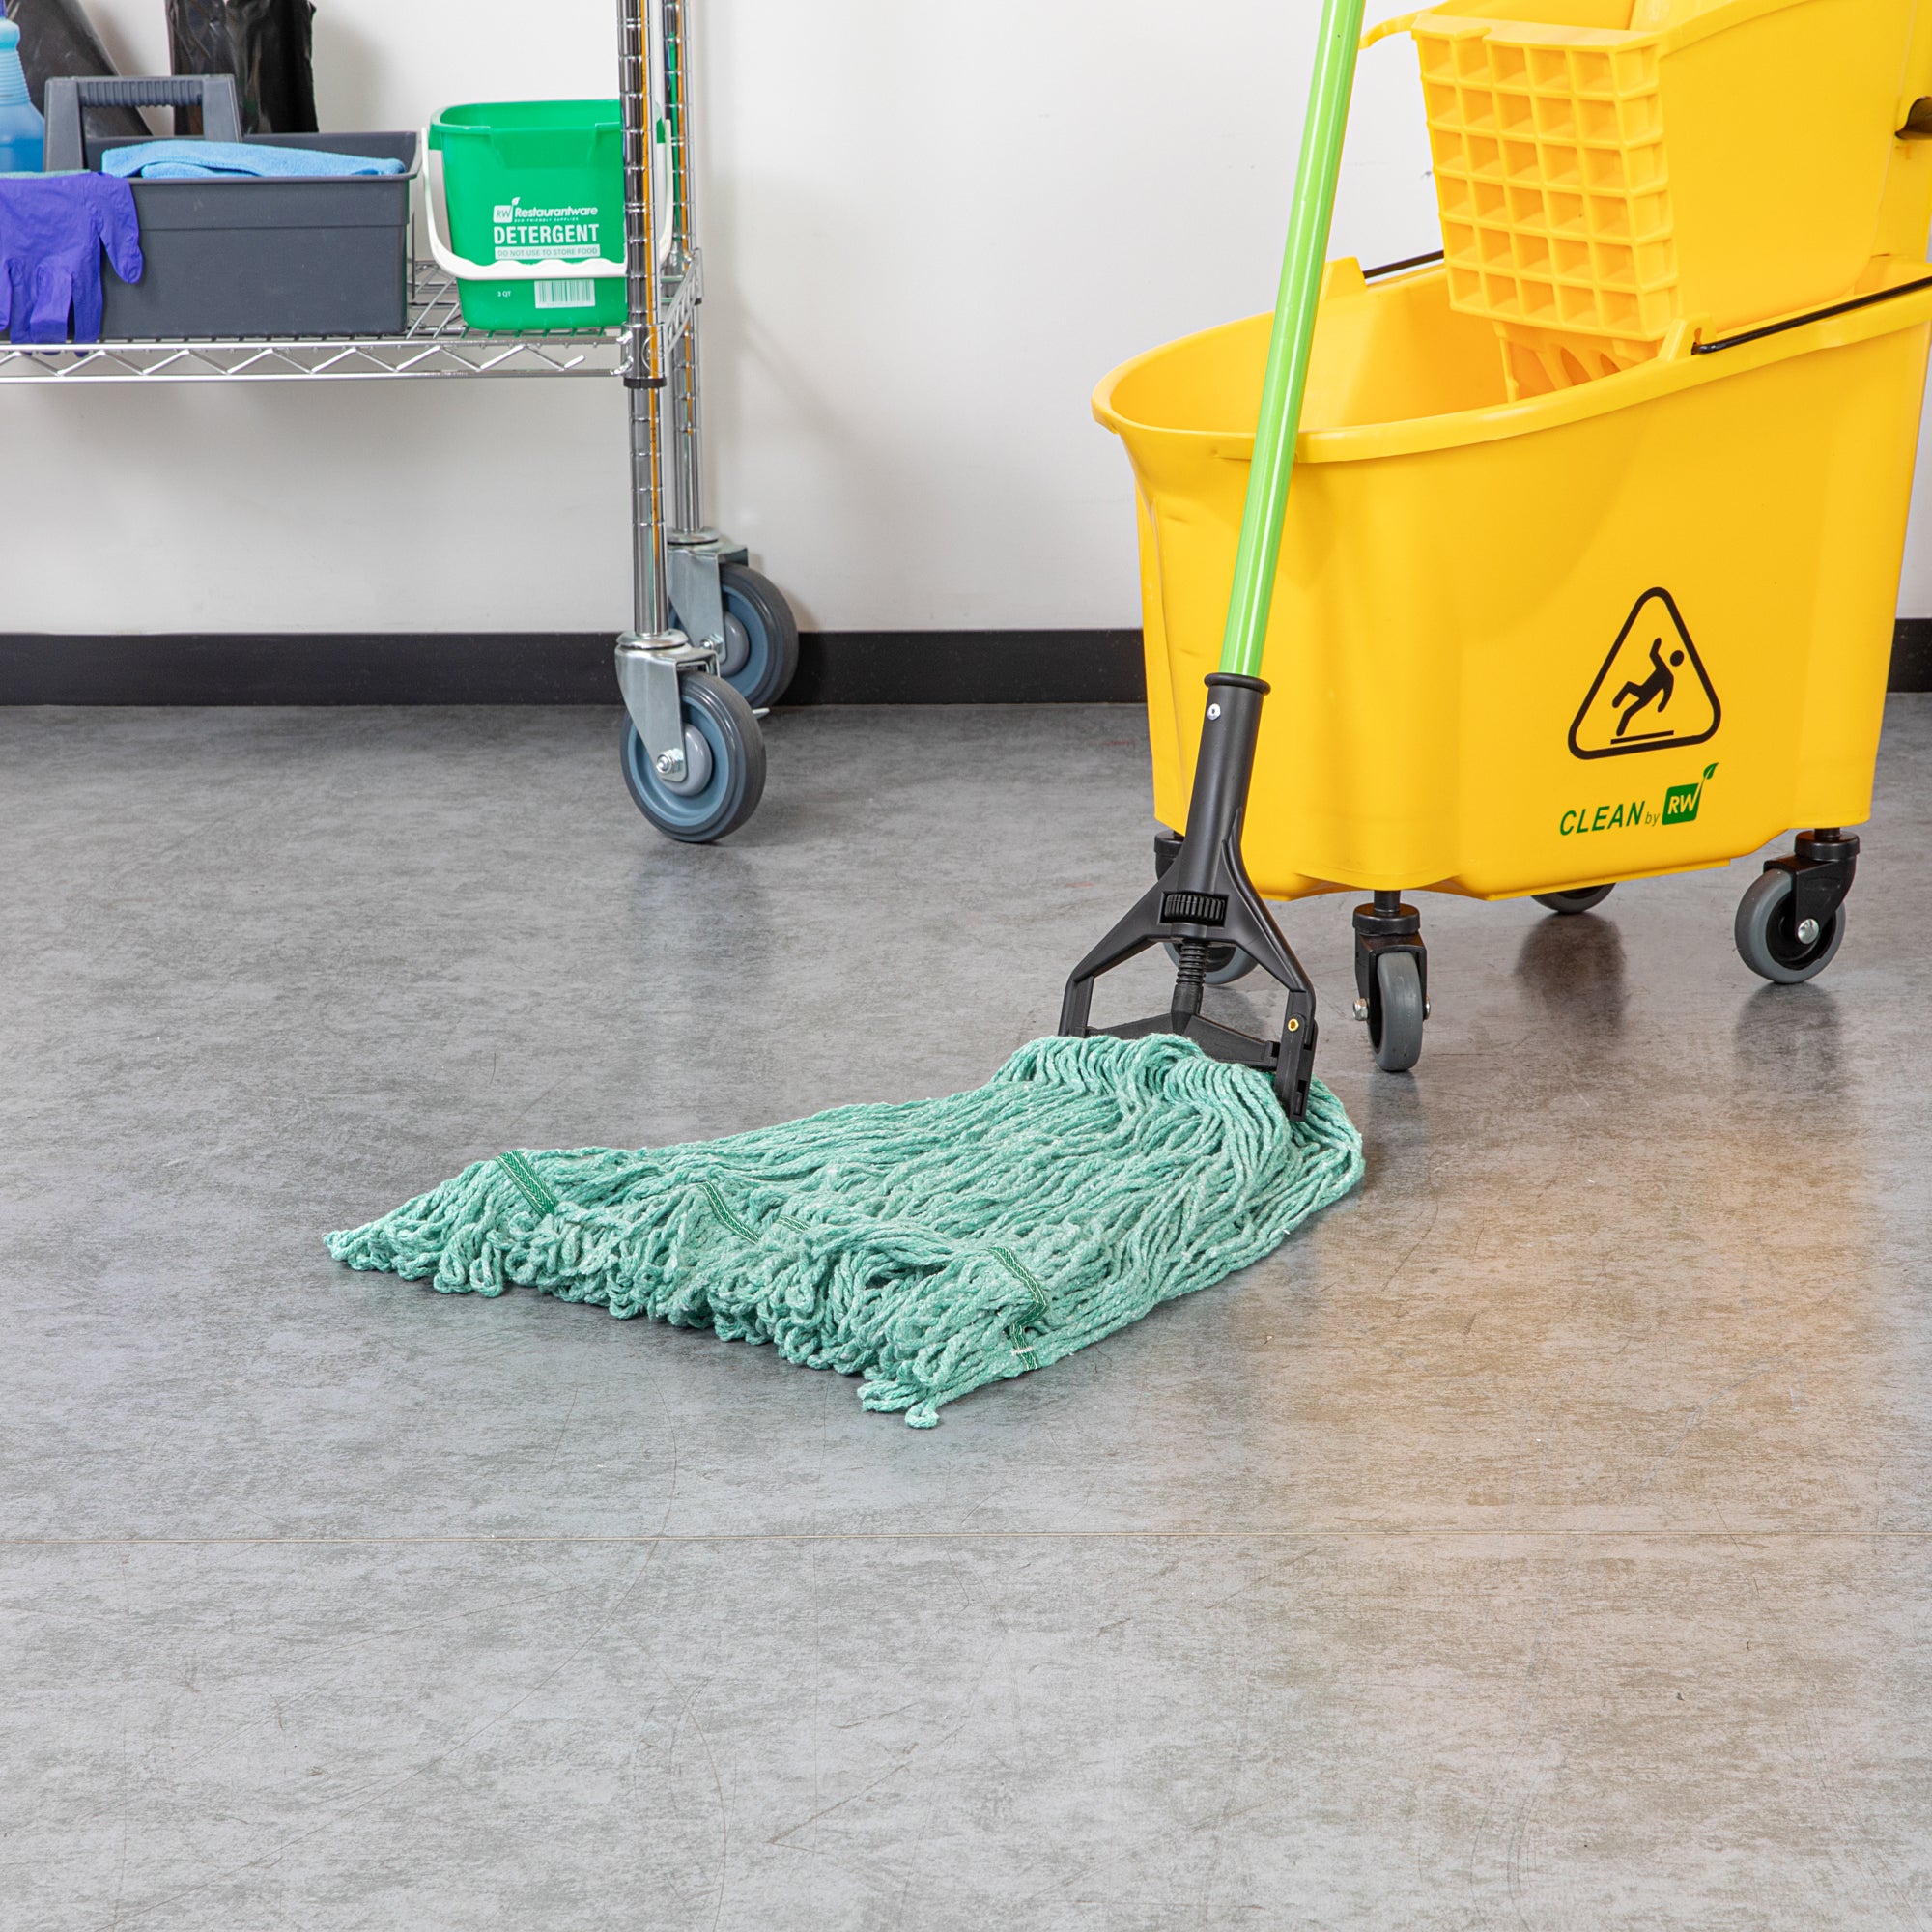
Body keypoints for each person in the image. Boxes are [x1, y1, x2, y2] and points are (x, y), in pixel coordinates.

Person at [1613, 636, 1684, 738]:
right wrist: (1656, 645)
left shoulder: (1669, 677)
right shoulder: (1666, 671)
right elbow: (1653, 654)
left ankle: (1619, 733)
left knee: (1627, 712)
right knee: (1628, 687)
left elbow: (1667, 695)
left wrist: (1662, 705)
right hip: (1642, 690)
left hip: (1646, 697)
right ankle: (1616, 702)